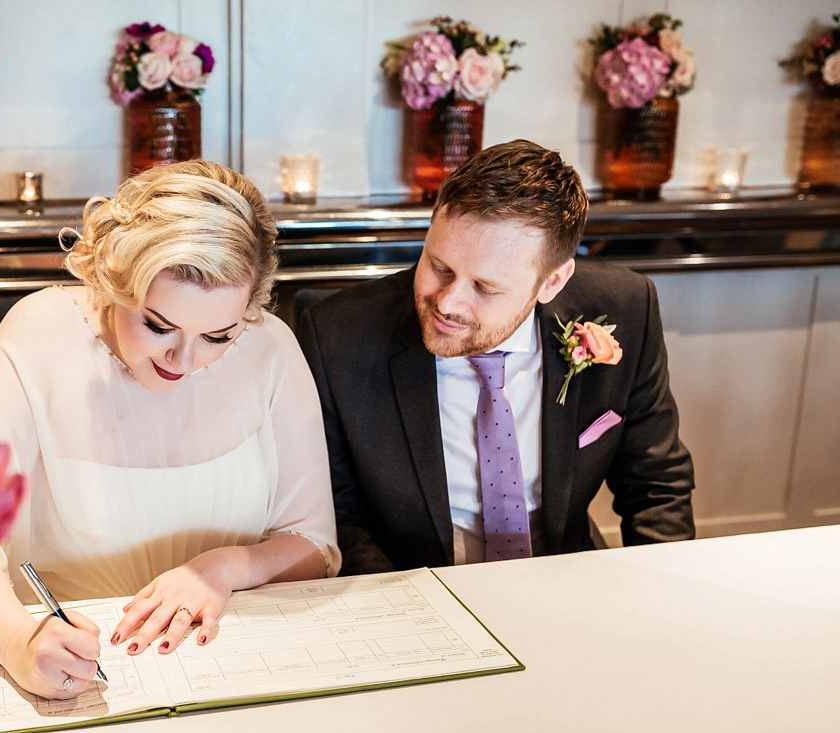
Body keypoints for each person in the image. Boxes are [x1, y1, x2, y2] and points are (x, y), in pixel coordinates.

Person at [0, 159, 339, 699]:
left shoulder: (270, 347)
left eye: (218, 337)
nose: (184, 358)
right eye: (158, 326)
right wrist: (18, 641)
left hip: (239, 663)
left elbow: (315, 545)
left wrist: (221, 569)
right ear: (114, 278)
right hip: (79, 665)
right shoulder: (36, 337)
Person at [296, 139, 694, 574]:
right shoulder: (338, 334)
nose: (448, 302)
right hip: (407, 583)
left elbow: (656, 484)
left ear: (552, 282)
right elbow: (339, 516)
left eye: (485, 288)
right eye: (439, 266)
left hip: (563, 577)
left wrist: (662, 590)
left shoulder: (625, 308)